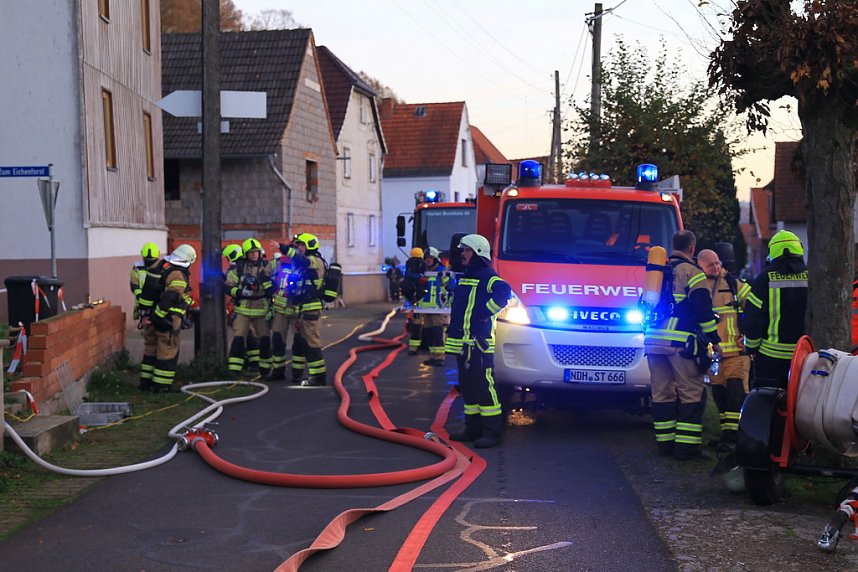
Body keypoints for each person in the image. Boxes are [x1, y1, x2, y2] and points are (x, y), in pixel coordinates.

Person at [644, 230, 720, 460]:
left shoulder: (658, 271)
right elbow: (703, 310)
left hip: (653, 340)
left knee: (661, 393)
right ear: (692, 249)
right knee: (691, 392)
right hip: (678, 342)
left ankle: (665, 446)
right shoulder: (693, 272)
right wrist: (714, 340)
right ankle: (686, 450)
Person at [445, 234, 511, 448]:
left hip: (478, 344)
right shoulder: (467, 275)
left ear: (477, 252)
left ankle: (492, 432)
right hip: (464, 343)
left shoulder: (485, 274)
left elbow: (503, 292)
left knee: (484, 386)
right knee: (468, 387)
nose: (463, 254)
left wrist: (484, 313)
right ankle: (472, 429)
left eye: (467, 250)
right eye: (463, 250)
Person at [697, 248, 751, 448]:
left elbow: (754, 306)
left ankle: (735, 438)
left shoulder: (732, 284)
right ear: (700, 266)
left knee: (736, 393)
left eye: (718, 263)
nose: (717, 267)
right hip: (715, 355)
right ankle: (727, 435)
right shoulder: (698, 285)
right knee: (719, 395)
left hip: (737, 353)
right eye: (711, 264)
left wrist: (748, 334)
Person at [744, 230, 808, 390]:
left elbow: (753, 317)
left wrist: (751, 348)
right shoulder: (812, 276)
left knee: (767, 404)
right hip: (805, 356)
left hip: (770, 358)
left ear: (773, 252)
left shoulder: (764, 278)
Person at [141, 244, 196, 393]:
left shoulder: (160, 266)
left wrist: (149, 315)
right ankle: (162, 386)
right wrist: (159, 315)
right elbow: (172, 295)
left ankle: (146, 384)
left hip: (149, 315)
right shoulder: (177, 273)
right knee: (168, 349)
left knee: (150, 349)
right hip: (166, 318)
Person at [279, 233, 327, 386]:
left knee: (312, 342)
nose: (299, 248)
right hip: (303, 307)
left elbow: (302, 261)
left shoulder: (314, 261)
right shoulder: (308, 262)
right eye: (298, 245)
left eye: (301, 245)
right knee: (304, 341)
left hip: (311, 307)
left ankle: (318, 377)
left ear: (309, 246)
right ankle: (311, 375)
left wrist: (285, 249)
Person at [224, 238, 274, 380]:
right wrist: (240, 292)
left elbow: (275, 282)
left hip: (261, 309)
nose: (253, 255)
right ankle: (234, 371)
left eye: (256, 252)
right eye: (250, 253)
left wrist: (266, 284)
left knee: (264, 340)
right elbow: (228, 287)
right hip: (243, 309)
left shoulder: (267, 267)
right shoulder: (238, 269)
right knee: (238, 339)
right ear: (245, 254)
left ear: (260, 253)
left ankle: (265, 370)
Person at [268, 243, 297, 381]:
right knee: (277, 340)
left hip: (296, 311)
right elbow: (266, 276)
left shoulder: (303, 264)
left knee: (299, 342)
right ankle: (278, 371)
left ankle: (297, 374)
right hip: (280, 310)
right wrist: (269, 288)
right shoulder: (280, 264)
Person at [419, 247, 452, 366]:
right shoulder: (424, 272)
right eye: (426, 258)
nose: (428, 260)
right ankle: (432, 357)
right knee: (428, 333)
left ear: (436, 259)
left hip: (439, 308)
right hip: (426, 308)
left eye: (430, 258)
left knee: (438, 333)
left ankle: (440, 358)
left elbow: (451, 285)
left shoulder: (442, 271)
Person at [401, 247, 426, 355]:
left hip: (413, 298)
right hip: (420, 298)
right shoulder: (420, 265)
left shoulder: (409, 264)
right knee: (419, 324)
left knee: (416, 324)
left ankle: (414, 347)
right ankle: (417, 345)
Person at [129, 242, 162, 323]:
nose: (149, 262)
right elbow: (134, 285)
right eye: (147, 260)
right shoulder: (137, 268)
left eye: (151, 260)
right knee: (149, 332)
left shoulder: (162, 267)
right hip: (144, 306)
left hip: (159, 304)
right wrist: (141, 299)